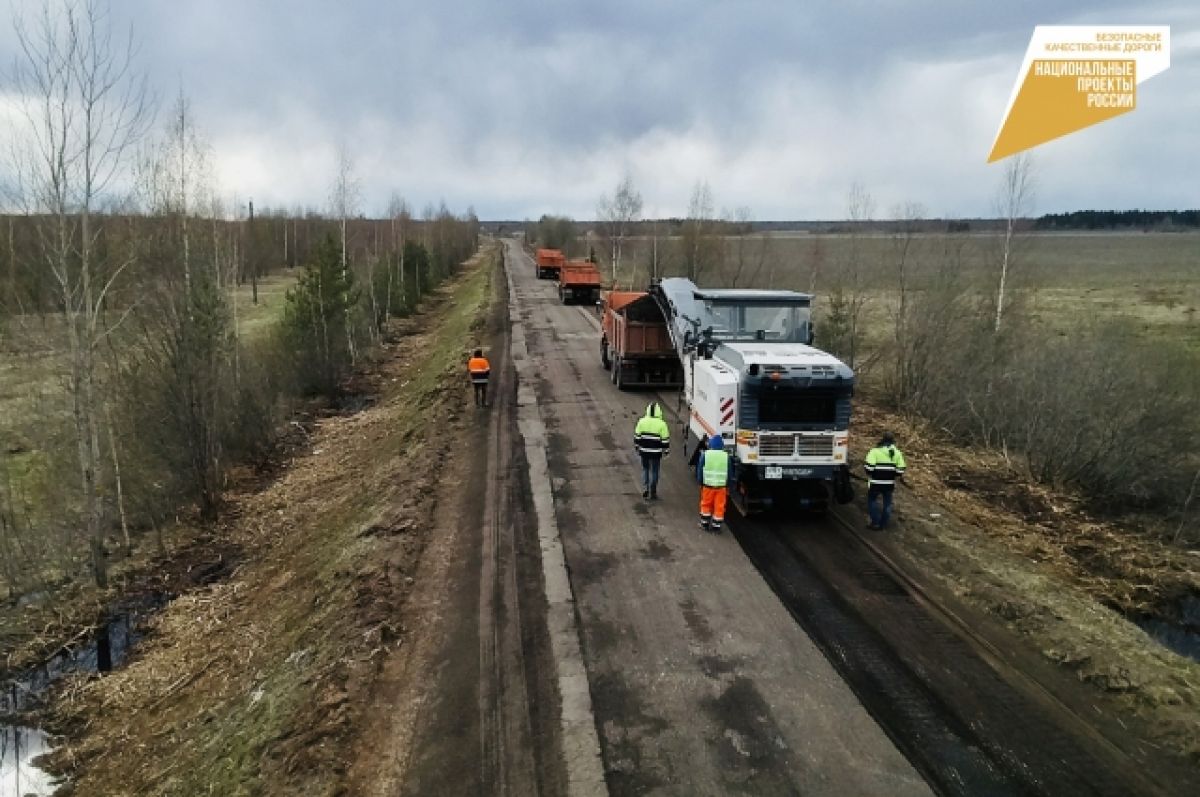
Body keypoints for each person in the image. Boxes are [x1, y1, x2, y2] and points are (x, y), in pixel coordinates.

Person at [864, 432, 907, 530]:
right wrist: (893, 474)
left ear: (882, 439)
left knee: (872, 500)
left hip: (875, 483)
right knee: (887, 504)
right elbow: (901, 469)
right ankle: (883, 524)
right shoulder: (897, 453)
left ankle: (875, 522)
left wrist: (872, 474)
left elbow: (869, 468)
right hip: (889, 484)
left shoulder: (874, 451)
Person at [633, 402, 670, 499]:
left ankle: (646, 488)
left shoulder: (641, 421)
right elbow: (665, 439)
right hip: (656, 452)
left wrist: (637, 446)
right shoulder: (662, 424)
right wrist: (666, 450)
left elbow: (637, 436)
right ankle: (653, 490)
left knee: (645, 469)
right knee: (655, 471)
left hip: (644, 451)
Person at [696, 434, 730, 533]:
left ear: (711, 444)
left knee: (706, 504)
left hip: (708, 486)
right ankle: (716, 527)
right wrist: (728, 485)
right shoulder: (726, 456)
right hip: (721, 487)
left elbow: (700, 470)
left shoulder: (705, 454)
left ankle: (705, 524)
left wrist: (700, 482)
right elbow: (729, 472)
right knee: (719, 506)